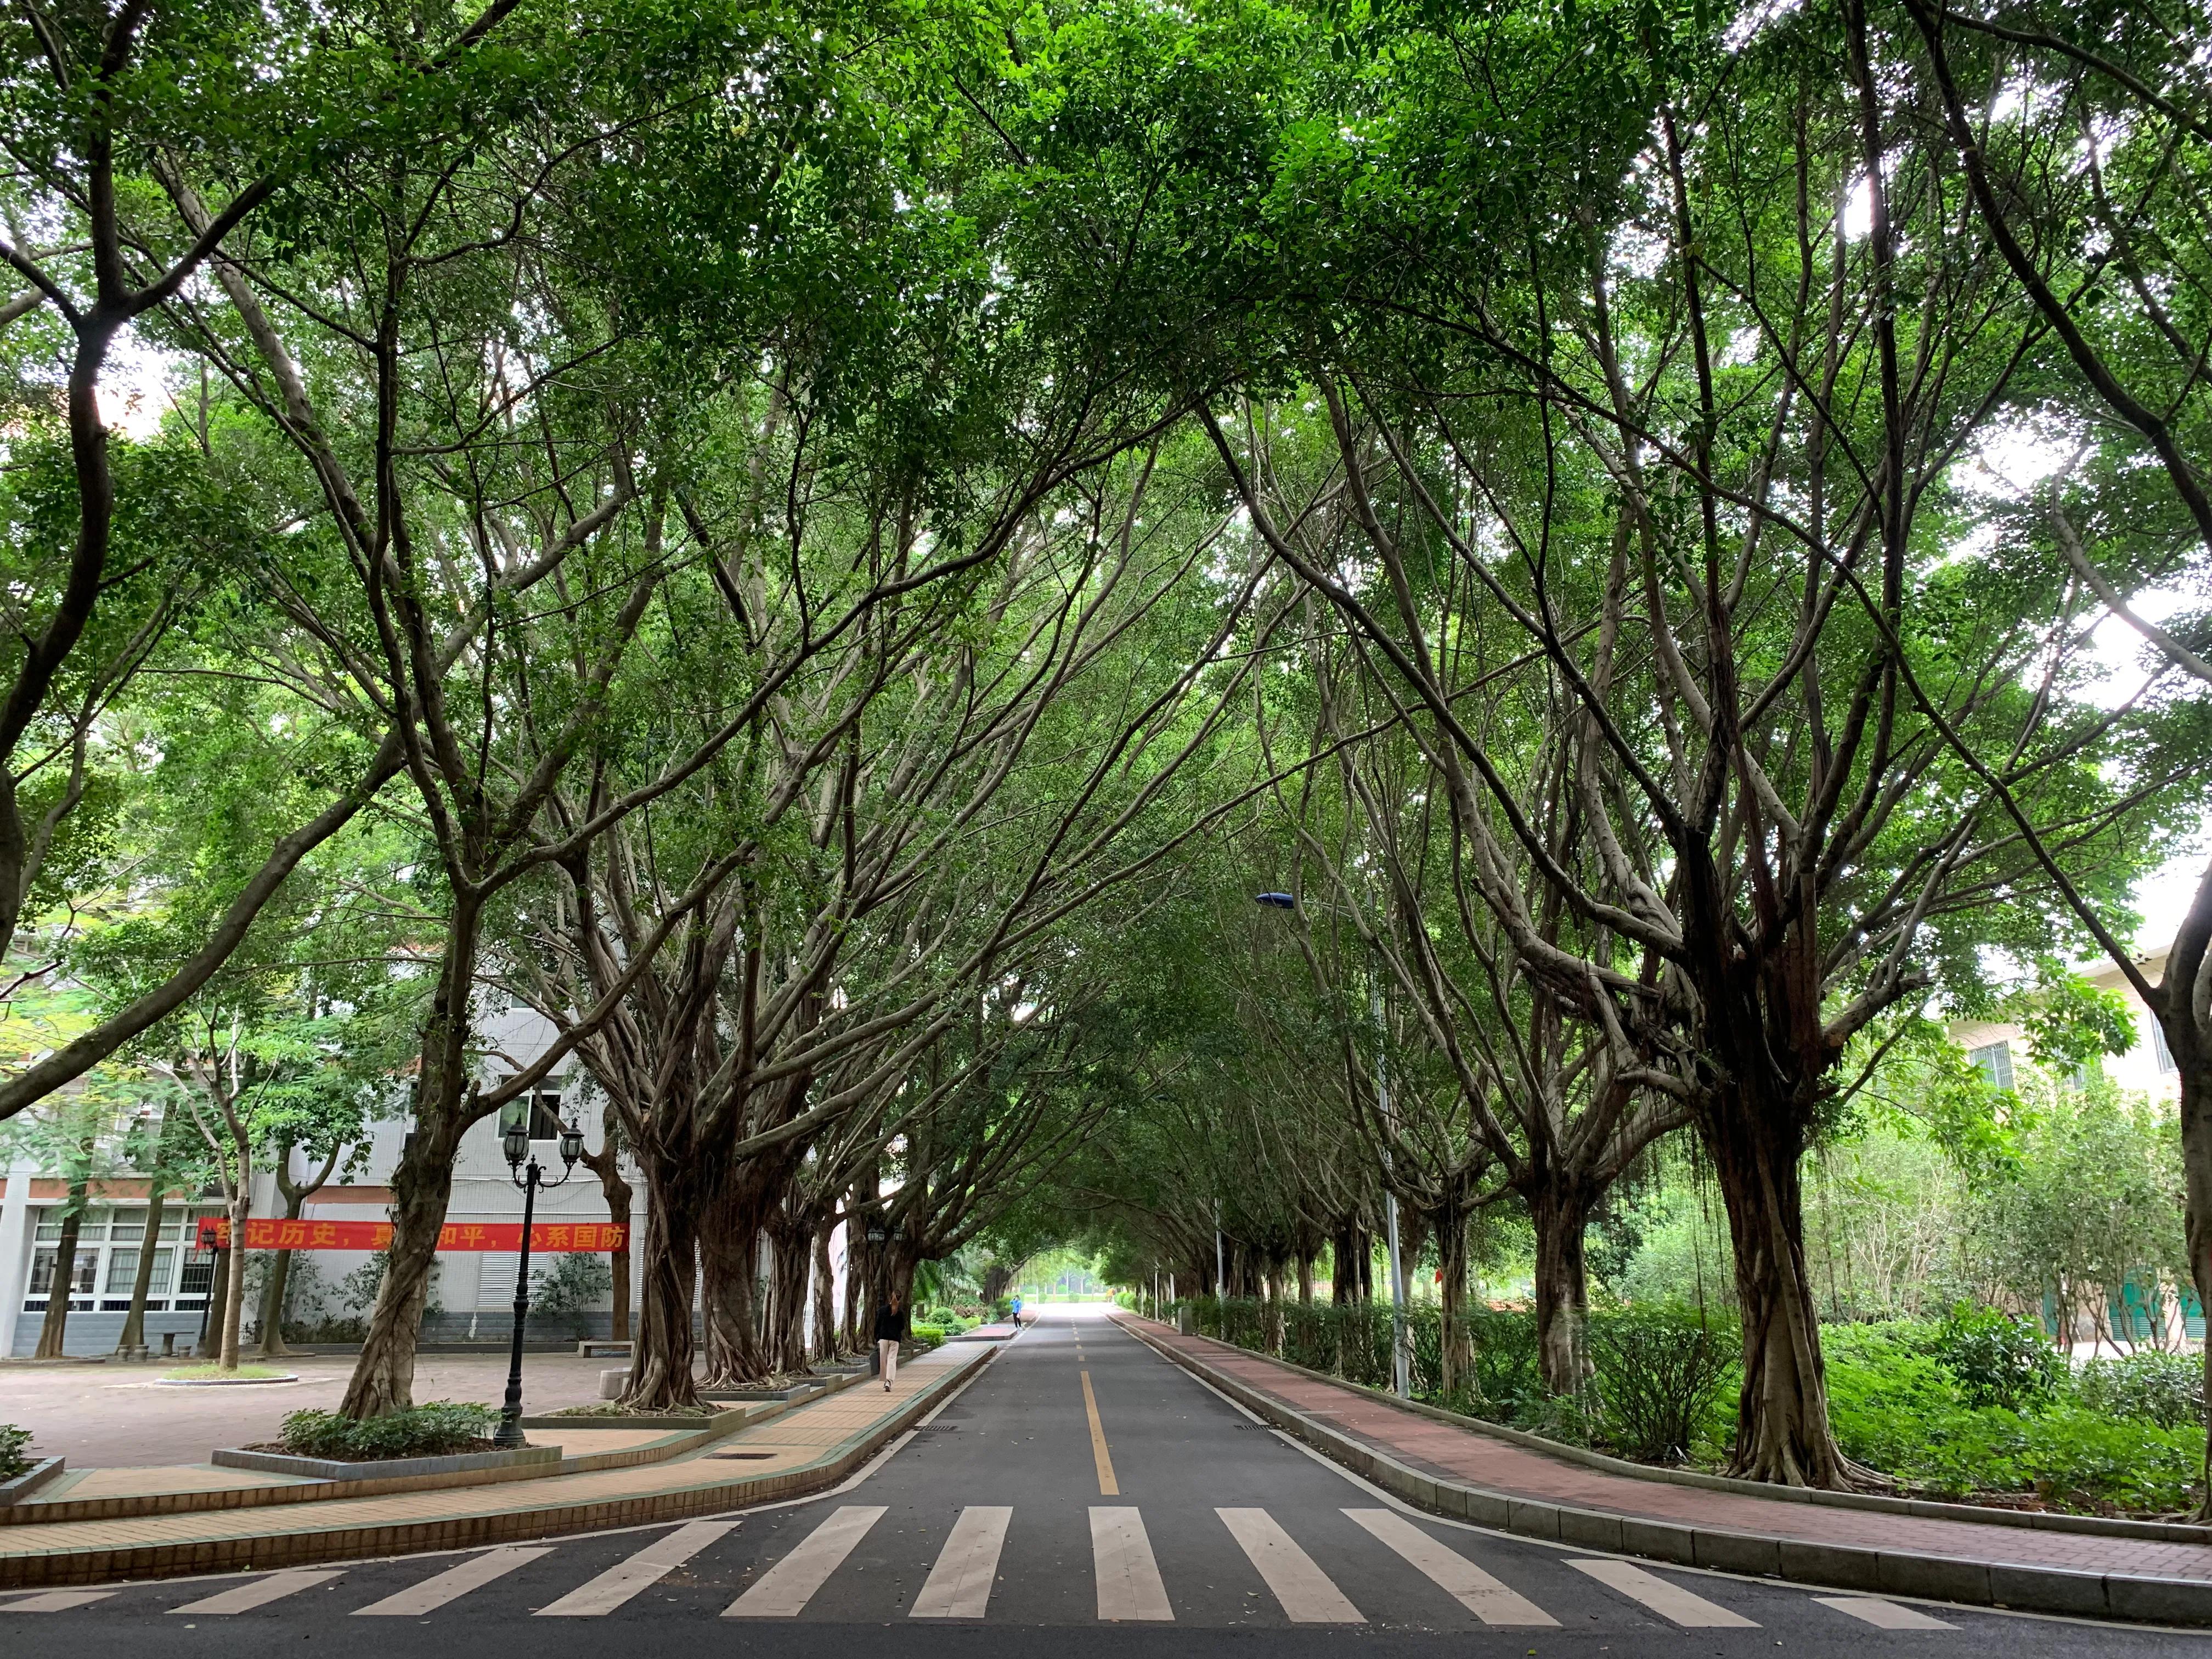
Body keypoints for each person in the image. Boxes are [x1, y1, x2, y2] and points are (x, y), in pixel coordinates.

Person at [873, 1289, 905, 1390]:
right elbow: (902, 1327)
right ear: (899, 1299)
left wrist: (877, 1337)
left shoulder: (882, 1310)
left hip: (883, 1338)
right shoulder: (900, 1312)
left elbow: (877, 1324)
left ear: (890, 1297)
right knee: (892, 1360)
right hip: (895, 1339)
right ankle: (889, 1382)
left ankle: (884, 1380)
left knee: (884, 1360)